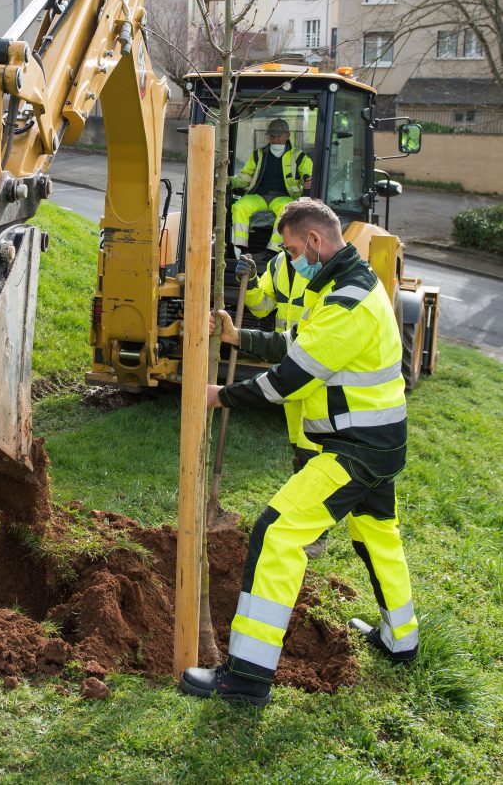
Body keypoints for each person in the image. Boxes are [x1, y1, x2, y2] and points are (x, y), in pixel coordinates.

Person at [183, 198, 417, 708]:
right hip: (379, 441)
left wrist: (218, 396)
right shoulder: (341, 284)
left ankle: (245, 678)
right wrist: (237, 335)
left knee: (276, 535)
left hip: (356, 449)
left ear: (314, 240)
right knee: (378, 536)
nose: (289, 260)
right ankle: (402, 641)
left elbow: (289, 380)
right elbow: (298, 342)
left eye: (291, 249)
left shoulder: (347, 300)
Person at [220, 249, 328, 558]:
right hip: (289, 361)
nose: (289, 250)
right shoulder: (280, 264)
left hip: (318, 365)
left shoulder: (328, 267)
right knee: (299, 450)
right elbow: (263, 305)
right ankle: (302, 521)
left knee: (314, 454)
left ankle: (316, 533)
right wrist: (251, 278)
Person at [230, 118, 312, 257]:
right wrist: (229, 182)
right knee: (239, 206)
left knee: (286, 210)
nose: (275, 140)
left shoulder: (299, 157)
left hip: (284, 197)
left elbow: (309, 175)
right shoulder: (258, 155)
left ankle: (273, 251)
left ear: (287, 136)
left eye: (278, 136)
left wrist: (308, 181)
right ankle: (241, 249)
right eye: (272, 136)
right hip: (259, 195)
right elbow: (246, 177)